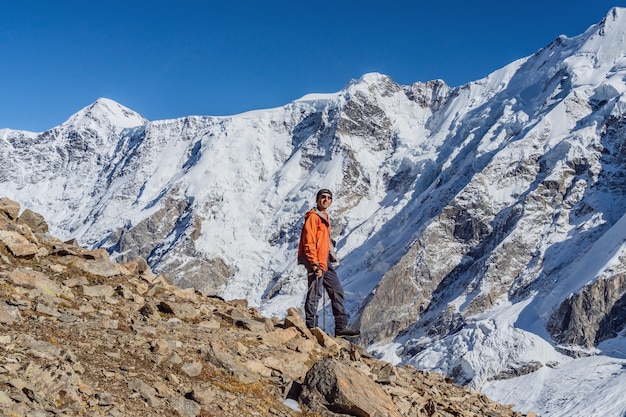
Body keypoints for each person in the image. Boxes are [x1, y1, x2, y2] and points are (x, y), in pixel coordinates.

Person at [297, 188, 360, 338]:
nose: (326, 200)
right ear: (317, 199)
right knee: (315, 293)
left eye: (329, 198)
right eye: (323, 197)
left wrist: (329, 255)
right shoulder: (313, 217)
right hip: (316, 262)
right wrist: (314, 263)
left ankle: (340, 327)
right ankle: (311, 327)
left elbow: (322, 241)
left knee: (337, 290)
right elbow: (309, 241)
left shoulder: (324, 216)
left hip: (325, 261)